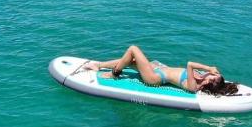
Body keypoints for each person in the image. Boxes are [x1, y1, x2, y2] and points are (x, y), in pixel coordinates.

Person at [83, 45, 238, 95]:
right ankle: (99, 65)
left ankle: (113, 74)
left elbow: (190, 63)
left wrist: (208, 68)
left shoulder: (194, 86)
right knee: (131, 61)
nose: (210, 75)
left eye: (212, 79)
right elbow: (213, 73)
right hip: (160, 69)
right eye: (213, 75)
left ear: (211, 84)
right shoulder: (203, 77)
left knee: (133, 49)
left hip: (154, 79)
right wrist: (214, 72)